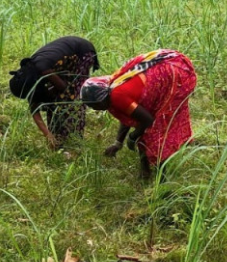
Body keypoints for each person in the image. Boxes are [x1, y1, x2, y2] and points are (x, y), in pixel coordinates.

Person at [79, 49, 196, 179]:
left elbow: (147, 120)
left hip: (175, 73)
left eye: (94, 105)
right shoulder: (111, 86)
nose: (95, 109)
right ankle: (146, 171)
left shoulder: (117, 96)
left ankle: (161, 179)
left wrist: (133, 136)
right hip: (171, 63)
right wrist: (118, 143)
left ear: (102, 99)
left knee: (154, 131)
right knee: (144, 131)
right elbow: (129, 115)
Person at [8, 37, 100, 149]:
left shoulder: (42, 69)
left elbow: (63, 87)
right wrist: (48, 135)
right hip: (64, 63)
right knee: (54, 99)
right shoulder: (30, 77)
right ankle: (58, 137)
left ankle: (75, 140)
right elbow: (34, 109)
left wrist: (51, 93)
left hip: (82, 53)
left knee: (71, 98)